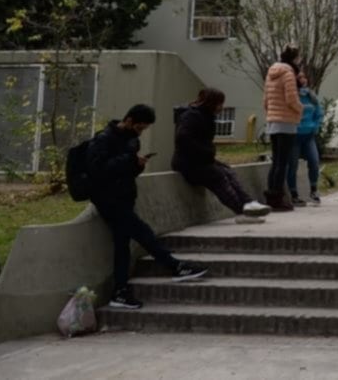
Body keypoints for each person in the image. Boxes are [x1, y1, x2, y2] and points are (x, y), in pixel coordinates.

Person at [88, 104, 207, 310]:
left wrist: (138, 165)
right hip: (108, 199)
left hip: (125, 196)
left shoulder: (132, 140)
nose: (140, 132)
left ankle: (120, 291)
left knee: (123, 245)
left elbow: (126, 171)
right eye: (139, 128)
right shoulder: (104, 139)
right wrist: (130, 160)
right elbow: (98, 170)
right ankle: (174, 266)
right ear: (129, 120)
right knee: (143, 232)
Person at [173, 88, 271, 221]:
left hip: (201, 160)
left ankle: (248, 203)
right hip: (188, 163)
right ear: (211, 103)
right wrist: (206, 151)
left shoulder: (206, 116)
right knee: (218, 176)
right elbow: (183, 138)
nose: (221, 107)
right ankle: (241, 212)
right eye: (220, 104)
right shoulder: (192, 116)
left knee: (227, 171)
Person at [262, 44, 303, 211]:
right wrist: (301, 109)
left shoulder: (271, 72)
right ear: (294, 58)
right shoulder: (288, 73)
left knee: (276, 161)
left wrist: (272, 113)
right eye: (299, 58)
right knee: (283, 162)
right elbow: (291, 99)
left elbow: (265, 100)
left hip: (273, 121)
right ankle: (277, 198)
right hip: (286, 122)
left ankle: (271, 195)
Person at [288, 70, 324, 206]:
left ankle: (313, 191)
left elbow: (319, 113)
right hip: (294, 135)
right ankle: (294, 194)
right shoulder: (292, 96)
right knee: (292, 165)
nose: (302, 79)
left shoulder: (311, 96)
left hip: (309, 136)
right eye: (299, 77)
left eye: (304, 76)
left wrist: (315, 126)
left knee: (314, 162)